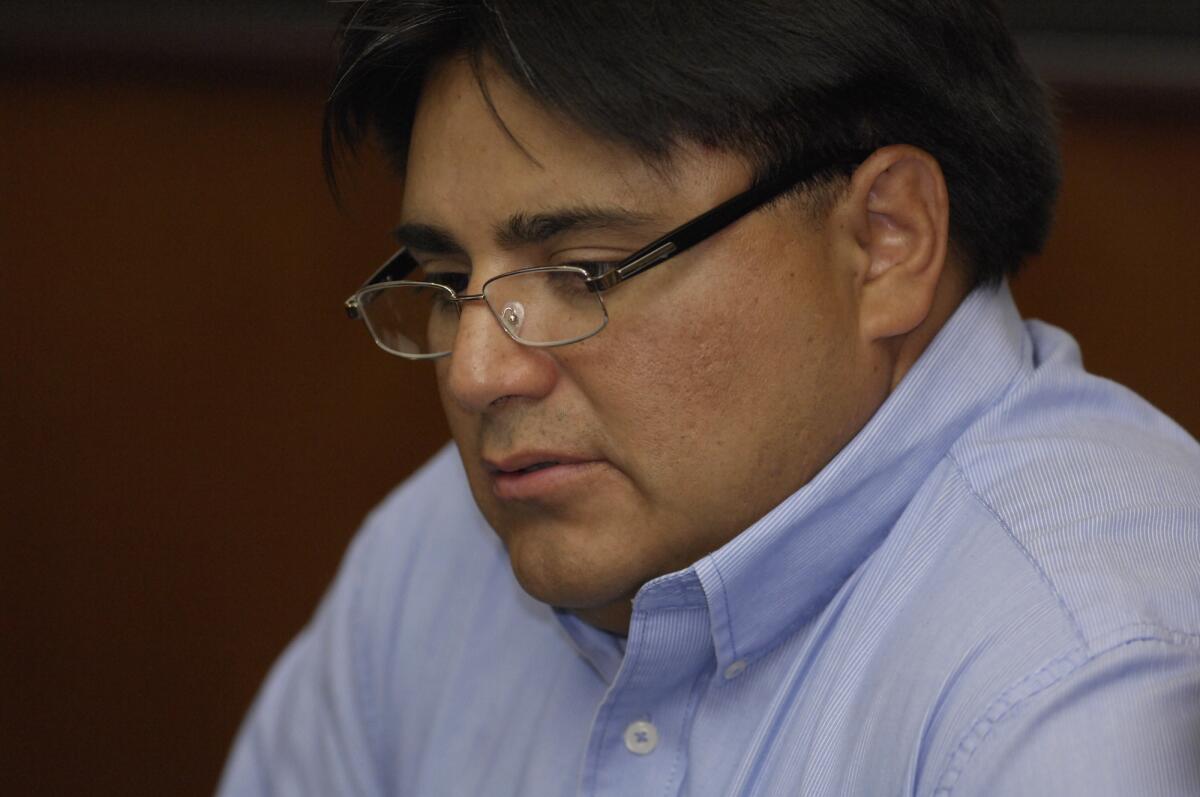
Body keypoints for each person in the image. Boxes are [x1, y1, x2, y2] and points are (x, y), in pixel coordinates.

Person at [219, 1, 1200, 794]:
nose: (478, 372)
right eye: (443, 274)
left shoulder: (1075, 684)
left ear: (886, 240)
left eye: (583, 270)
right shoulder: (434, 552)